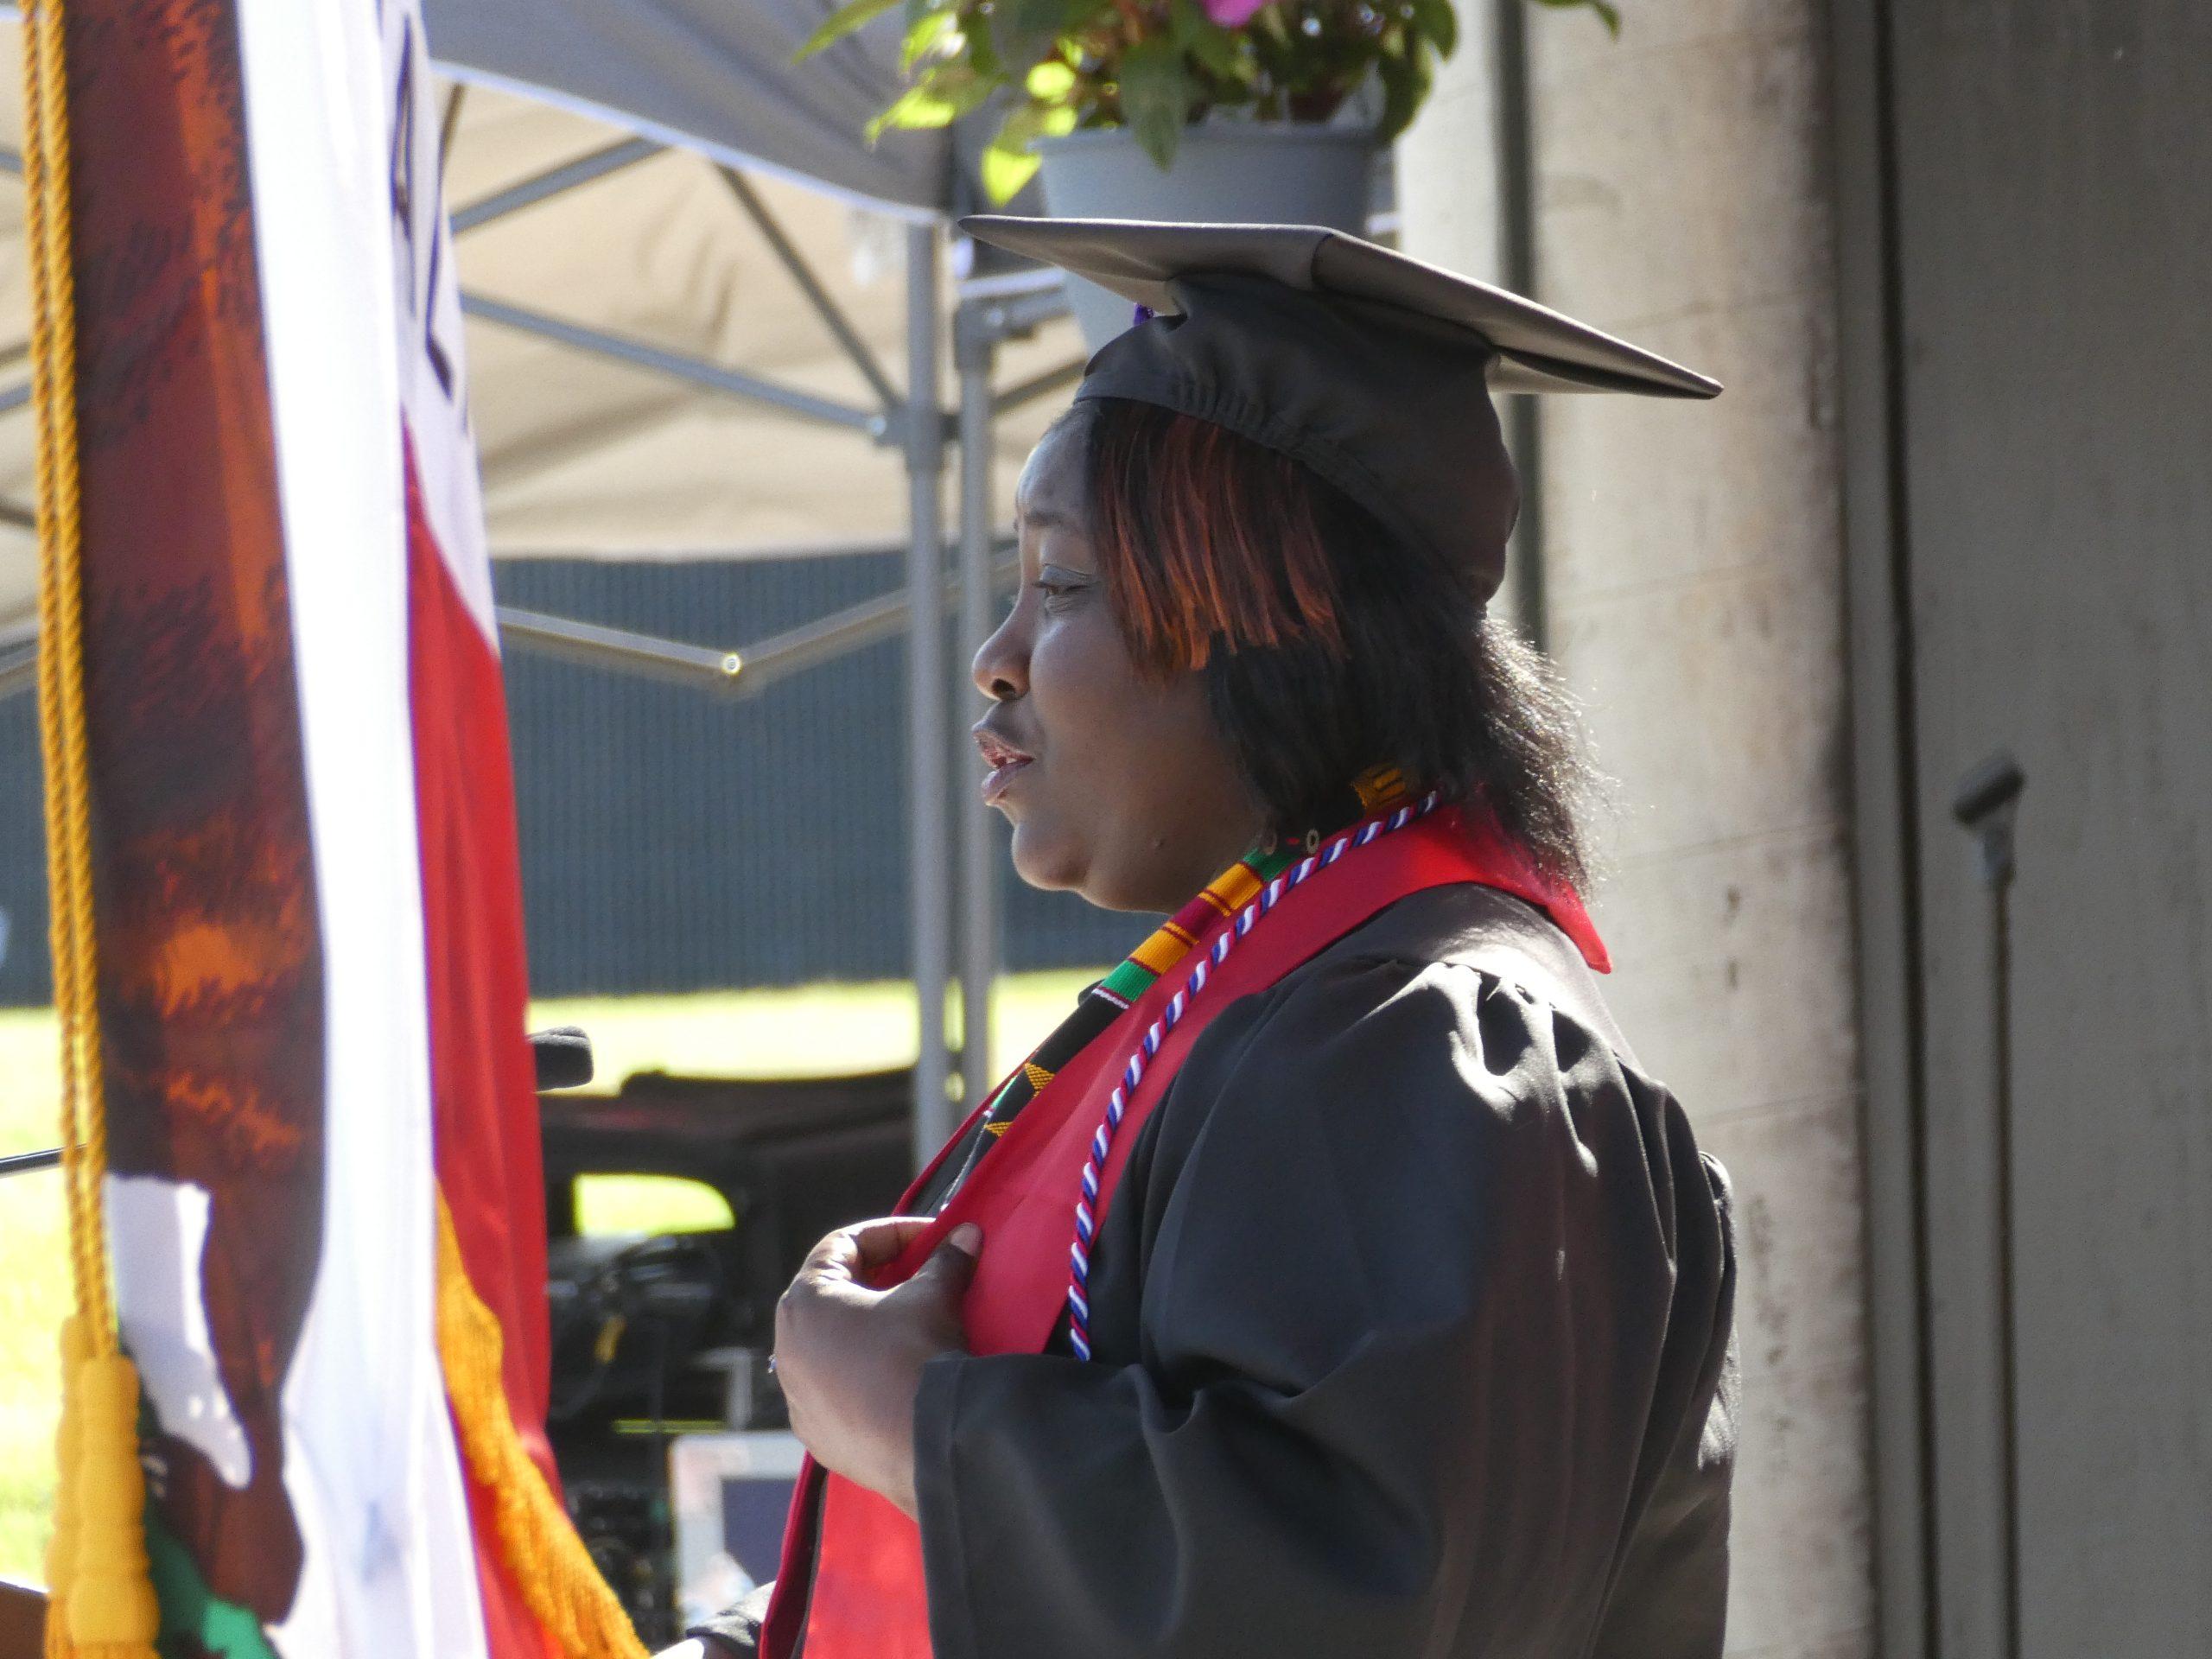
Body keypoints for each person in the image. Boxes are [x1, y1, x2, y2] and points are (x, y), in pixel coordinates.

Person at [676, 217, 1738, 1659]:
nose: (996, 656)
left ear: (1259, 624)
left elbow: (1327, 1602)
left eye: (1060, 586)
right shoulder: (1269, 1005)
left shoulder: (1426, 1052)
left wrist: (918, 1424)